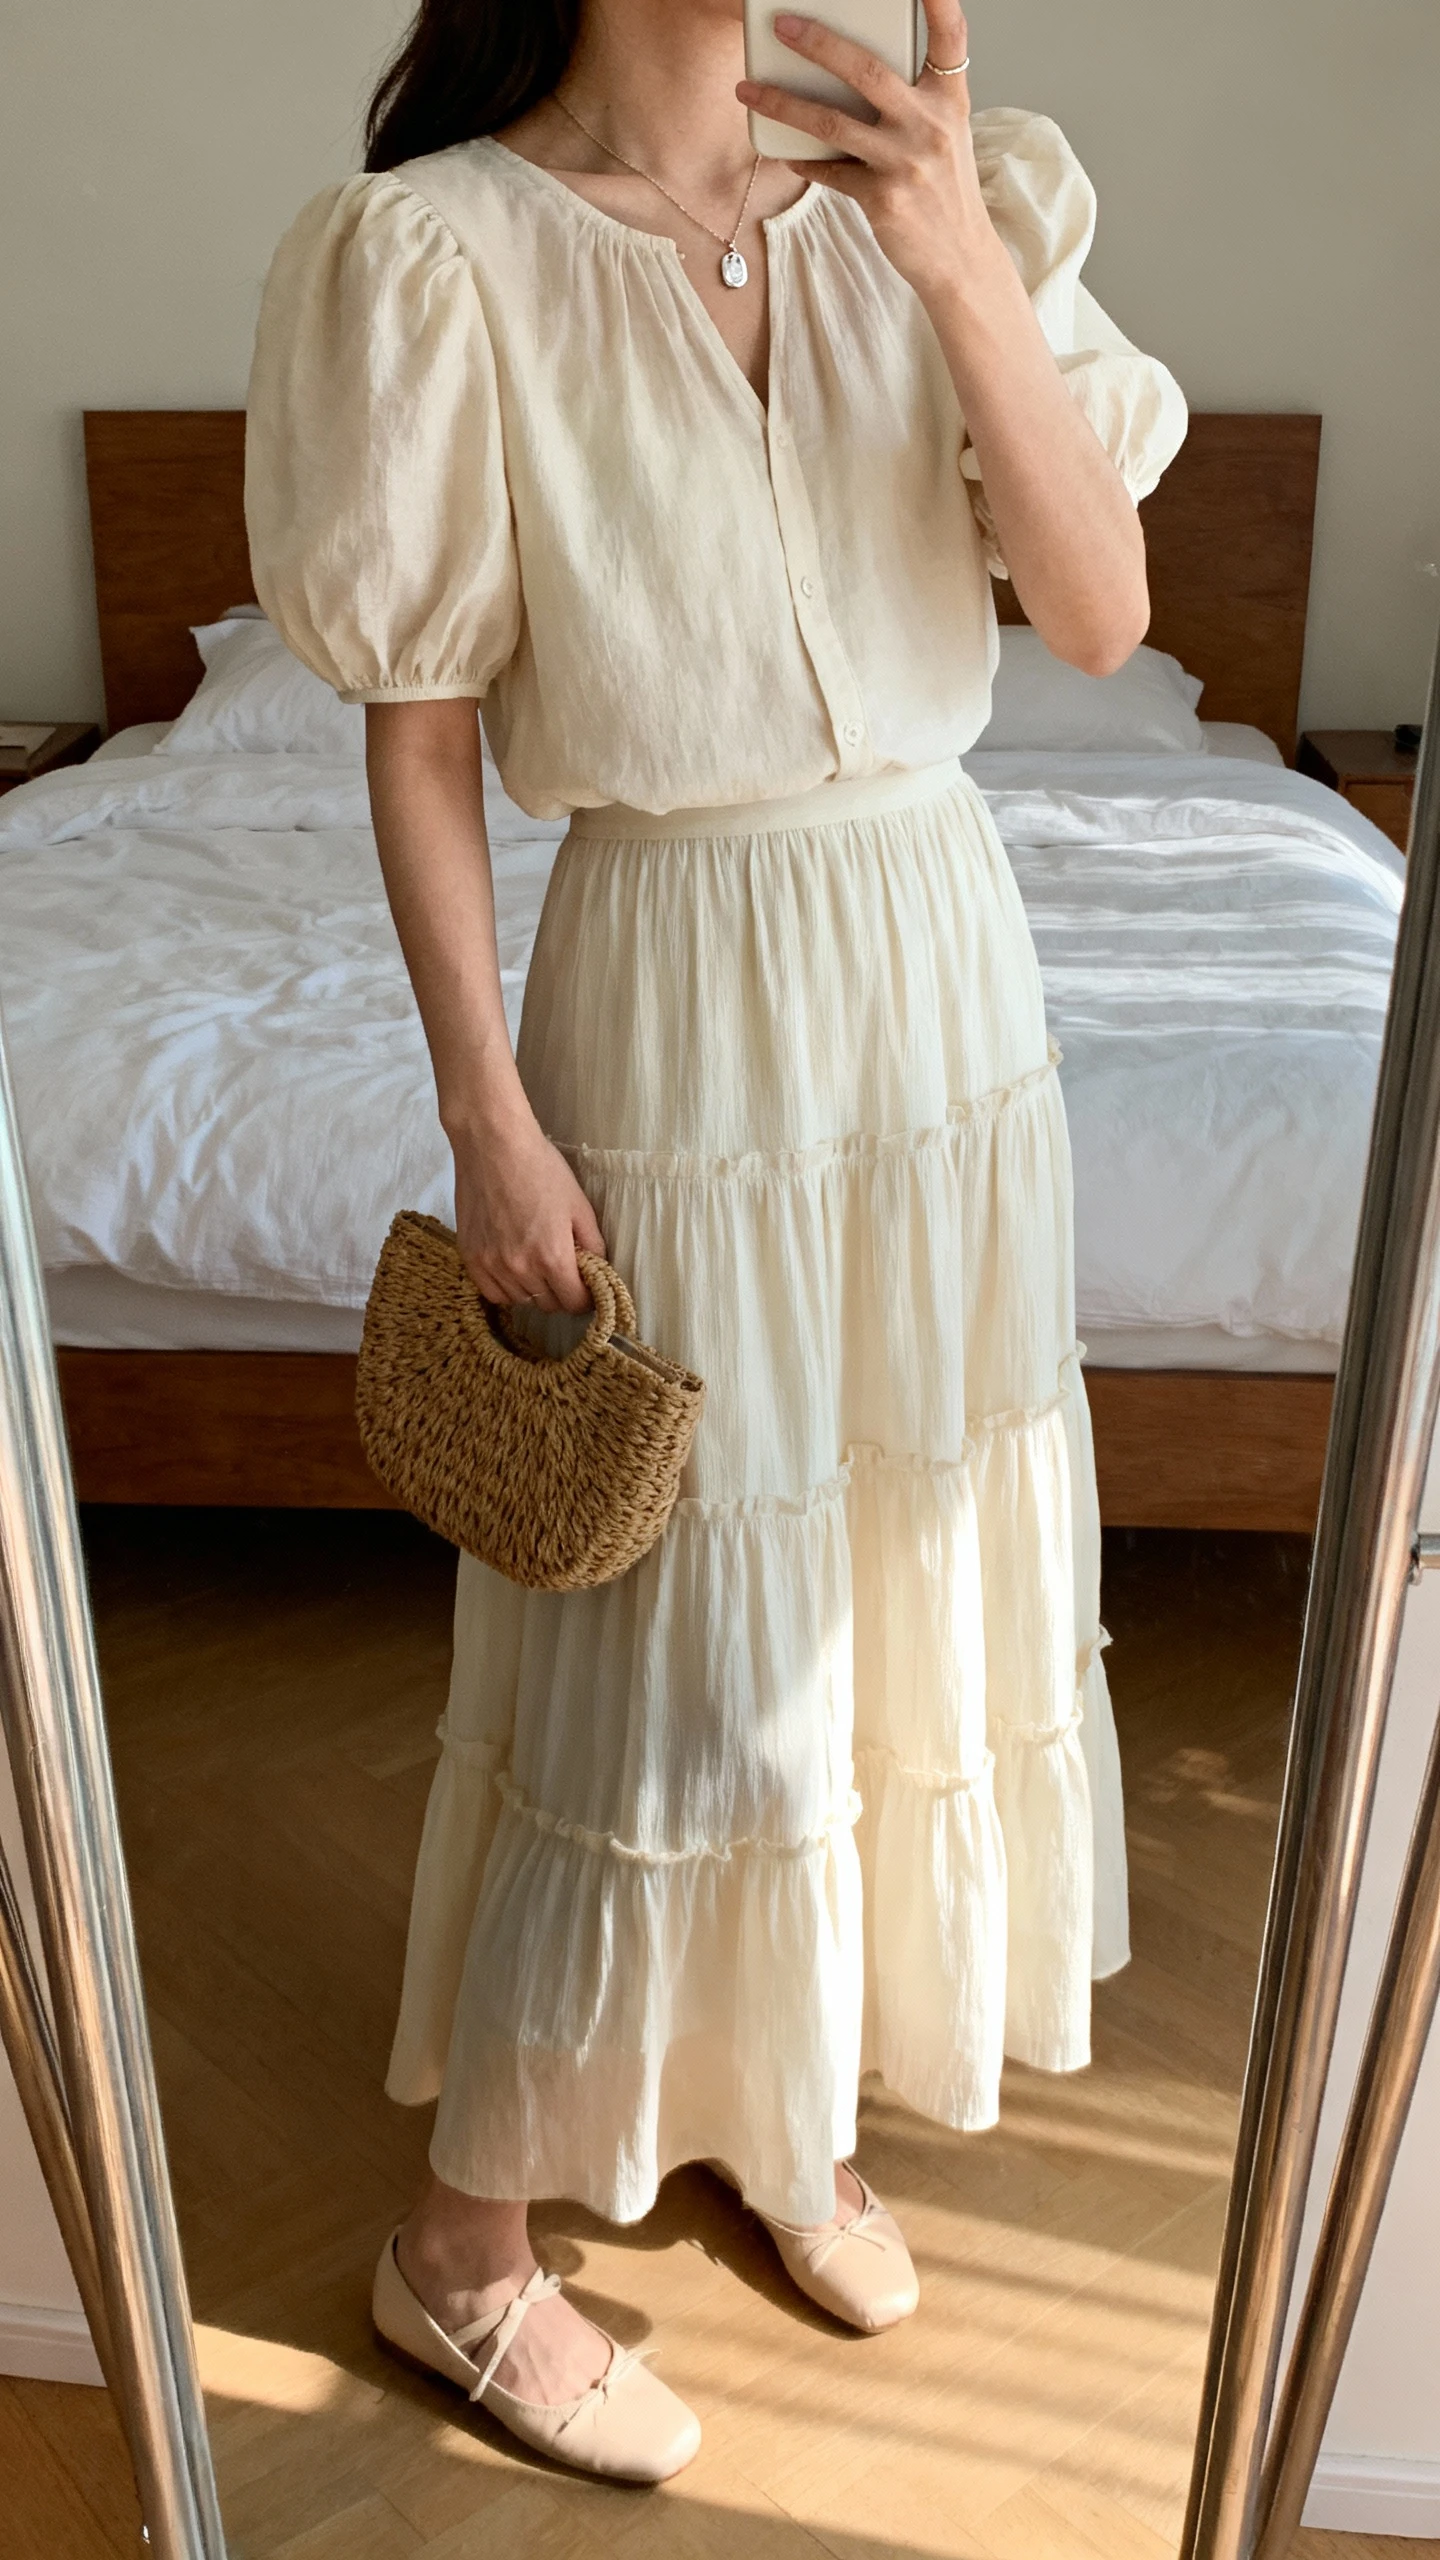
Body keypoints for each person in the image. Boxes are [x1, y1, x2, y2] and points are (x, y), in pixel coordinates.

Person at [246, 0, 1186, 2484]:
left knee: (884, 1579)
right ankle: (460, 2245)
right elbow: (421, 720)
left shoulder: (942, 199)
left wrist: (958, 258)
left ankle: (778, 2100)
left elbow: (1097, 614)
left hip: (936, 983)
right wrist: (489, 1111)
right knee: (674, 1629)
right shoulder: (439, 258)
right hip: (672, 989)